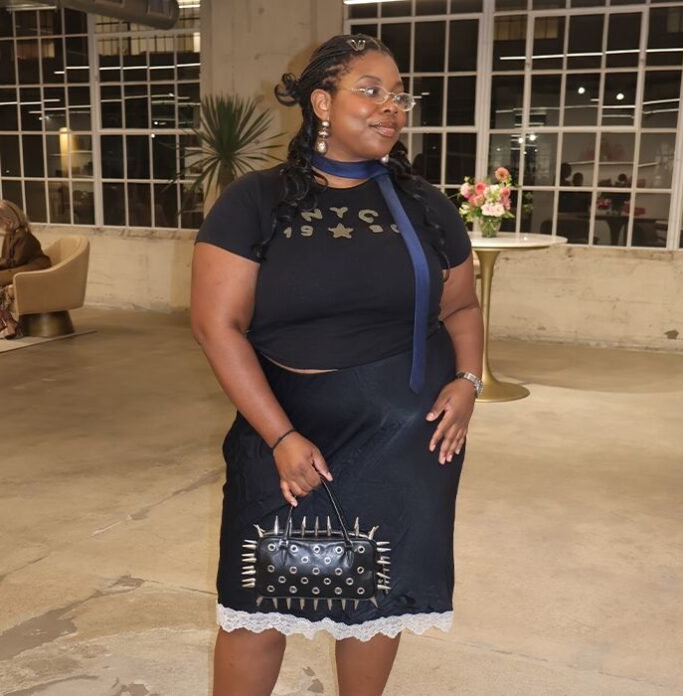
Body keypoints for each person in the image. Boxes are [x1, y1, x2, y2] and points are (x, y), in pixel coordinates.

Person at [191, 34, 483, 696]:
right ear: (321, 102)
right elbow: (216, 326)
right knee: (258, 605)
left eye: (399, 95)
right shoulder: (255, 200)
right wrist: (280, 437)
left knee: (378, 604)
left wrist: (468, 382)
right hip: (284, 436)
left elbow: (462, 307)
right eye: (371, 91)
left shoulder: (425, 204)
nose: (391, 106)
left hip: (404, 448)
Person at [0, 200, 50, 339]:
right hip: (20, 266)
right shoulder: (10, 234)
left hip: (34, 267)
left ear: (8, 219)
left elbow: (16, 261)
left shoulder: (23, 236)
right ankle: (9, 322)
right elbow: (6, 258)